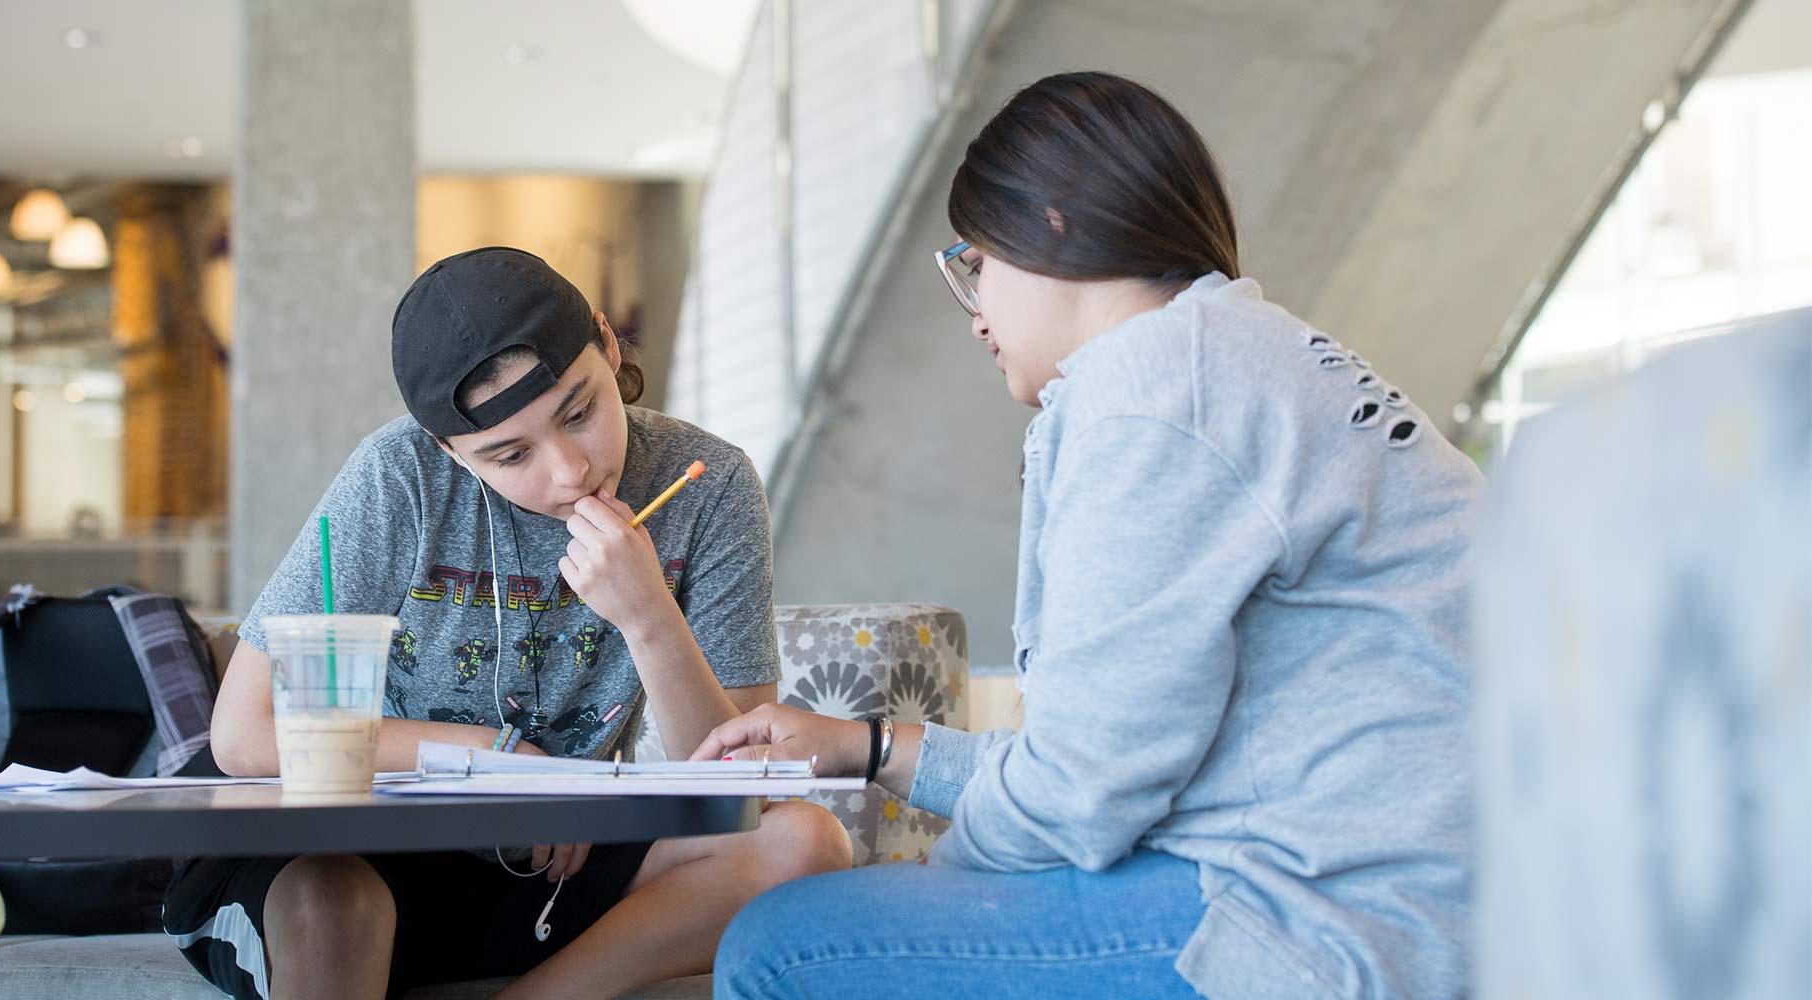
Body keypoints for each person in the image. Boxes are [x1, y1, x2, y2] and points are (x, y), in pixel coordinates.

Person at [697, 72, 1481, 999]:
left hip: (1324, 926)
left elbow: (1079, 799)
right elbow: (1101, 762)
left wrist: (936, 893)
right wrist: (865, 746)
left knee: (791, 945)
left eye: (974, 263)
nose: (977, 312)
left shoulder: (1153, 396)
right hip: (1429, 899)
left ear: (1054, 222)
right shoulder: (1236, 356)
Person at [164, 247, 852, 1000]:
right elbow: (243, 734)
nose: (569, 471)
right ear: (449, 452)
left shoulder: (706, 483)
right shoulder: (399, 476)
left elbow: (738, 791)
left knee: (804, 843)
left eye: (581, 412)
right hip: (352, 850)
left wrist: (649, 616)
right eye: (510, 453)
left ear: (608, 343)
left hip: (556, 862)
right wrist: (506, 764)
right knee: (335, 904)